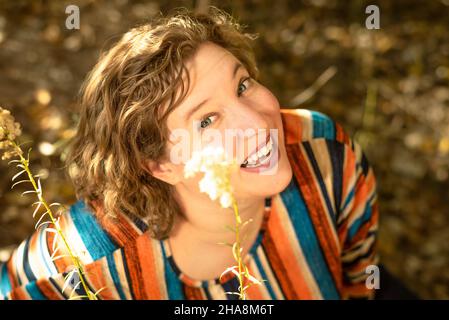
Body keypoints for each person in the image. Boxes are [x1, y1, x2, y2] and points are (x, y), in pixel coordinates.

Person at [0, 7, 379, 300]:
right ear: (161, 165)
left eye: (243, 85)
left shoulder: (325, 153)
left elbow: (361, 282)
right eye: (207, 120)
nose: (257, 124)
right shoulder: (80, 262)